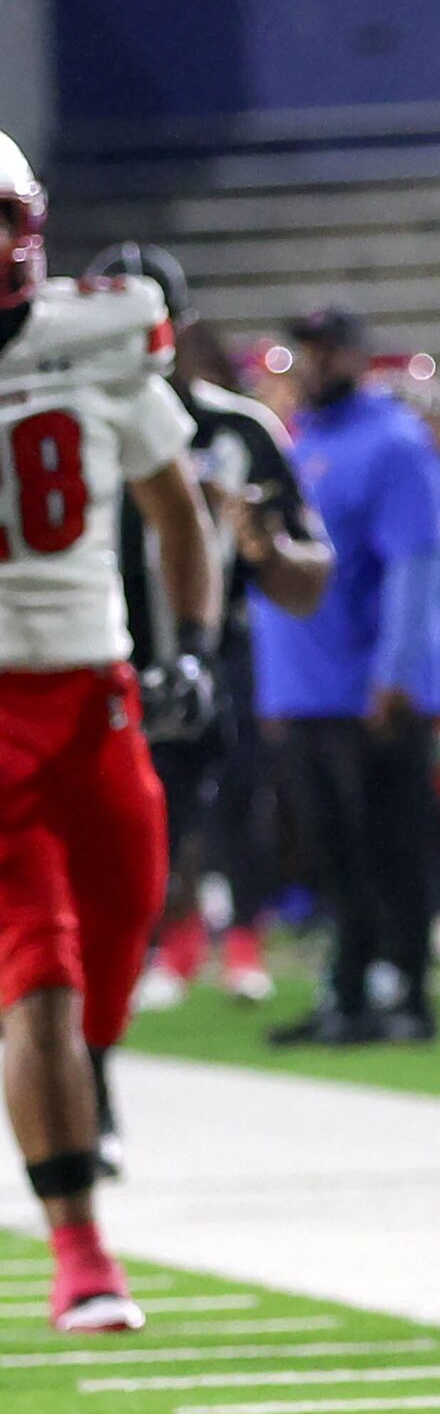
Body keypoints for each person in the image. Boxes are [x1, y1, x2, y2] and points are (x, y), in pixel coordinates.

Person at [0, 134, 222, 1331]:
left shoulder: (89, 346)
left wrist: (187, 644)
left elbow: (174, 509)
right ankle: (82, 1254)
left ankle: (83, 1088)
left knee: (119, 940)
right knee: (40, 977)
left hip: (95, 699)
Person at [99, 243, 333, 1023]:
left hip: (215, 646)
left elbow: (308, 573)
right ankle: (147, 943)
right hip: (99, 649)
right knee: (127, 814)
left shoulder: (239, 428)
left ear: (179, 326)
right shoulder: (69, 419)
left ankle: (228, 943)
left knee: (237, 801)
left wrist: (264, 543)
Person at [255, 308, 440, 1047]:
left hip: (367, 689)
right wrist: (276, 687)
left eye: (323, 351)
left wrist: (396, 673)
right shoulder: (295, 441)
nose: (308, 364)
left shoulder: (393, 442)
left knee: (388, 848)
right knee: (330, 853)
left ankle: (405, 990)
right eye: (302, 350)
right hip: (305, 688)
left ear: (354, 359)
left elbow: (416, 564)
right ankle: (346, 989)